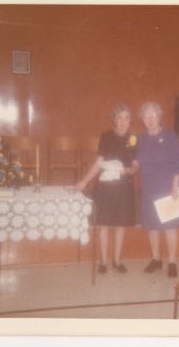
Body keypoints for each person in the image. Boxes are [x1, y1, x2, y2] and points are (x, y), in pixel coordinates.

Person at [75, 103, 138, 274]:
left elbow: (135, 166)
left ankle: (117, 261)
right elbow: (99, 162)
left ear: (130, 120)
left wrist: (127, 170)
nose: (123, 121)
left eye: (126, 118)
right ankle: (103, 261)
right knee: (103, 225)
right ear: (114, 120)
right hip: (105, 186)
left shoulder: (134, 139)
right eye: (119, 118)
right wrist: (84, 181)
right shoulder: (106, 137)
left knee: (120, 226)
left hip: (123, 186)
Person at [134, 101, 179, 278]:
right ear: (142, 119)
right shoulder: (140, 139)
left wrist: (175, 185)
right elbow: (136, 162)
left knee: (170, 226)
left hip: (168, 186)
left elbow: (178, 162)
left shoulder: (170, 135)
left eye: (154, 115)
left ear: (160, 117)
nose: (151, 119)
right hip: (149, 187)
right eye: (147, 116)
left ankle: (172, 261)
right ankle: (156, 259)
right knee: (152, 227)